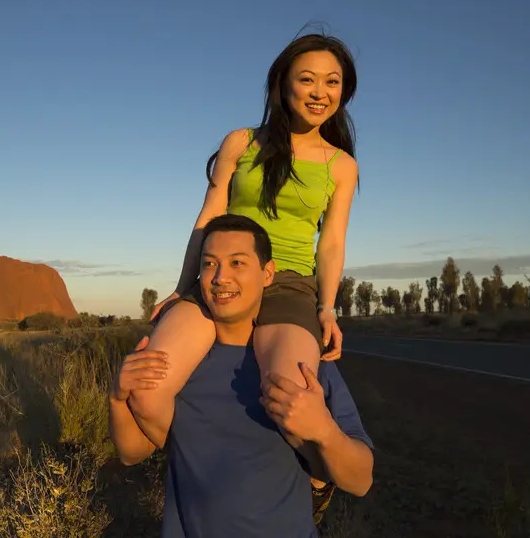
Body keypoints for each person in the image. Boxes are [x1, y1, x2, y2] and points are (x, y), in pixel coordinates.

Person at [129, 32, 363, 458]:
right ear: (282, 83)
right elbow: (207, 221)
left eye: (332, 82)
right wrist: (185, 288)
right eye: (307, 79)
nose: (319, 93)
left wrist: (327, 307)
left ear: (343, 91)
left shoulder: (342, 166)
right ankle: (208, 469)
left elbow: (330, 244)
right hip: (223, 275)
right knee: (147, 391)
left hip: (288, 283)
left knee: (291, 407)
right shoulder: (240, 143)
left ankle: (315, 485)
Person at [111, 214, 374, 536]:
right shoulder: (177, 367)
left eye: (237, 263)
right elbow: (130, 453)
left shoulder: (305, 365)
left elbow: (360, 481)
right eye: (209, 264)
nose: (220, 277)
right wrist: (117, 397)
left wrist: (325, 432)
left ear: (267, 274)